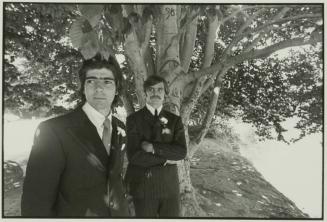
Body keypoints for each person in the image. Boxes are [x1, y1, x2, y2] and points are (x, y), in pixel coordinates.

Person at [21, 54, 129, 217]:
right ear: (83, 87)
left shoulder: (120, 127)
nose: (99, 88)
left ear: (117, 88)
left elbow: (114, 178)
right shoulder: (53, 131)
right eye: (91, 81)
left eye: (107, 81)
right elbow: (36, 203)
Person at [124, 75, 187, 217]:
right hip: (143, 185)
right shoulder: (133, 119)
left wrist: (153, 148)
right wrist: (165, 159)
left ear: (165, 93)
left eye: (159, 89)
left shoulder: (174, 120)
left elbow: (181, 152)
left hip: (169, 185)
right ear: (145, 93)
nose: (155, 93)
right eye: (151, 90)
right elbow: (134, 156)